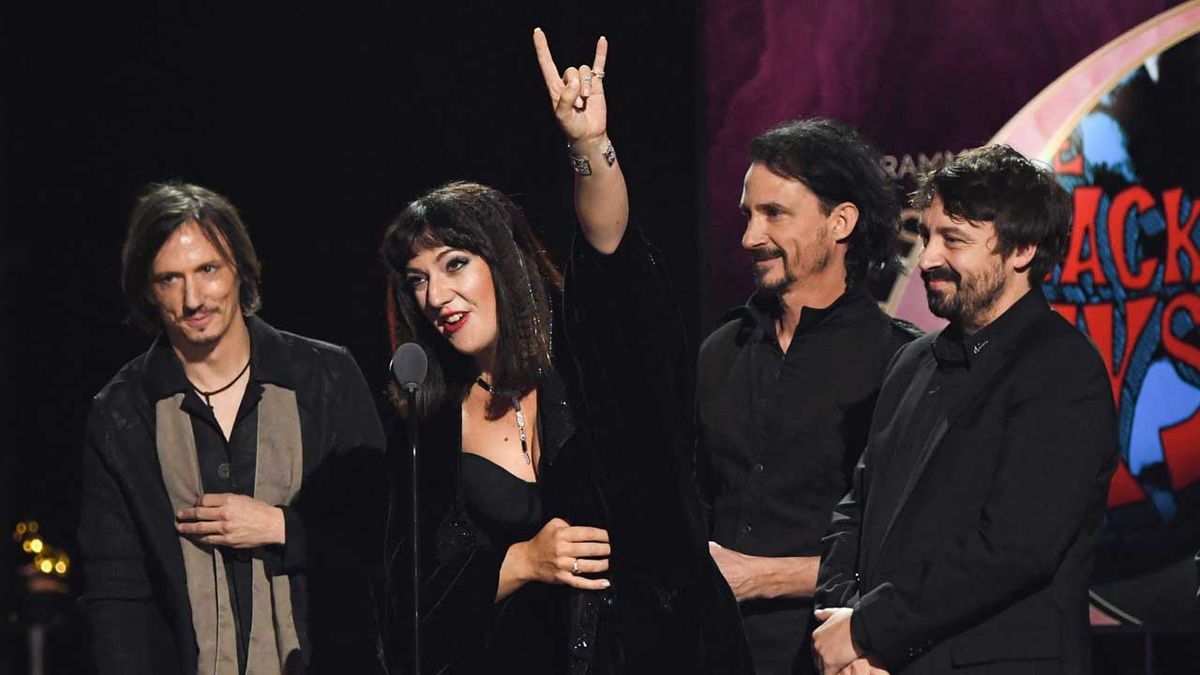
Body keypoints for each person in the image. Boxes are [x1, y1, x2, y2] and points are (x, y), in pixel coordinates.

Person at [380, 29, 750, 674]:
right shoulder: (432, 422)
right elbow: (408, 608)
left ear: (503, 260)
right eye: (418, 279)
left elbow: (610, 252)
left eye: (455, 264)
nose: (436, 294)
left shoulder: (587, 351)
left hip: (662, 651)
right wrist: (520, 562)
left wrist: (588, 146)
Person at [812, 145, 1118, 675]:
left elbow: (1013, 548)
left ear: (1021, 250)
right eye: (927, 235)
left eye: (953, 239)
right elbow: (856, 507)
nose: (927, 257)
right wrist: (843, 627)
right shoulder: (911, 362)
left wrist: (866, 632)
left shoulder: (1064, 371)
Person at [78, 183, 387, 674]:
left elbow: (381, 535)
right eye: (169, 280)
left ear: (240, 270)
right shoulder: (122, 410)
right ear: (148, 292)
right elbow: (116, 589)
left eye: (207, 270)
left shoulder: (325, 377)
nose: (193, 298)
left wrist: (282, 527)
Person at [695, 117, 919, 674]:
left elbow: (910, 552)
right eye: (749, 214)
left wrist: (763, 577)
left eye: (774, 214)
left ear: (840, 222)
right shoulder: (721, 350)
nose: (750, 237)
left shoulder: (901, 364)